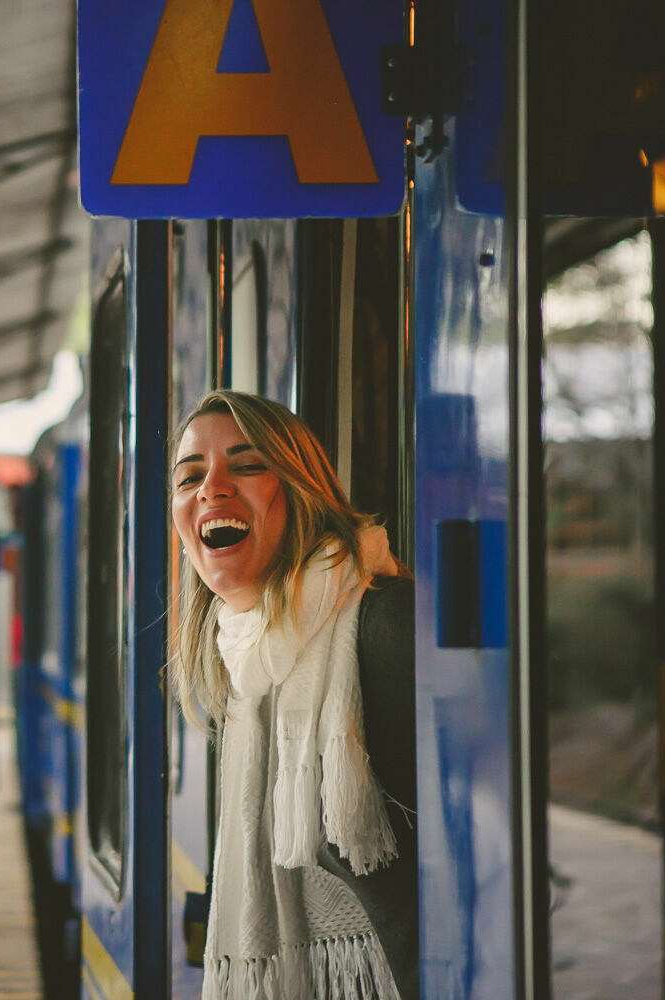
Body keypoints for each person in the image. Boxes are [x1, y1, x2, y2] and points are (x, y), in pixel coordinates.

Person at [170, 390, 417, 1000]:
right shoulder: (241, 660)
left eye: (248, 465)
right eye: (190, 477)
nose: (212, 489)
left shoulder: (387, 626)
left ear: (302, 490)